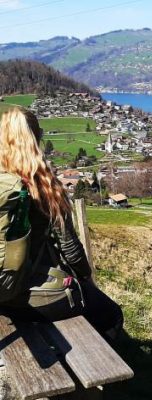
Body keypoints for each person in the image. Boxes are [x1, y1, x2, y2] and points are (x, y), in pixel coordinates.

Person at [0, 108, 123, 340]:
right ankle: (112, 370)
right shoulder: (43, 185)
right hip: (35, 298)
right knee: (112, 315)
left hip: (2, 297)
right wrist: (86, 279)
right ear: (36, 138)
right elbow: (71, 249)